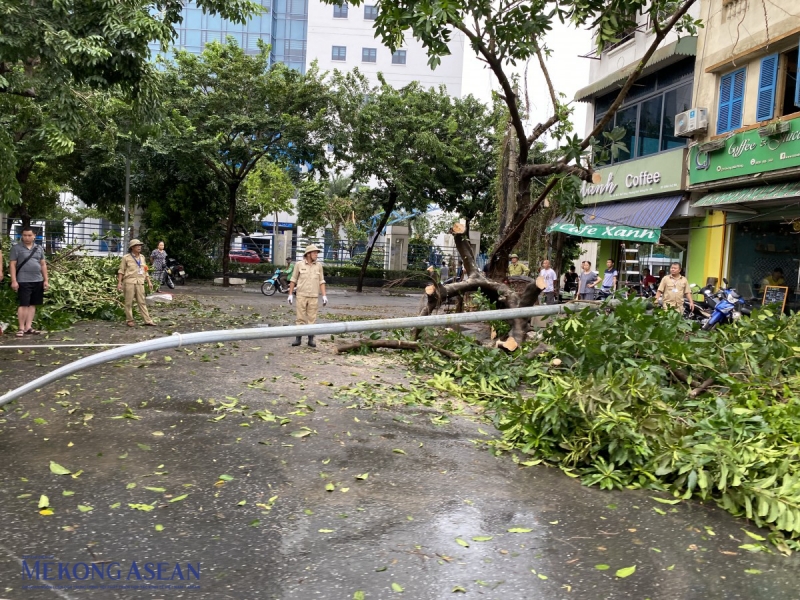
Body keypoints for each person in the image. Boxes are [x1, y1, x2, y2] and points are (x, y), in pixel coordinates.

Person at [9, 226, 49, 337]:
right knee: (23, 304)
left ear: (34, 236)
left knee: (32, 304)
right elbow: (12, 265)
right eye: (25, 235)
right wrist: (14, 280)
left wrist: (46, 280)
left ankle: (28, 327)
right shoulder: (16, 248)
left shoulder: (39, 248)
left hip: (37, 280)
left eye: (29, 235)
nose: (27, 238)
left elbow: (43, 264)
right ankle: (21, 328)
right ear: (22, 236)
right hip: (23, 280)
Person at [288, 244, 328, 348]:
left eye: (317, 253)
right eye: (314, 252)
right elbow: (293, 279)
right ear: (308, 254)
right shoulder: (299, 264)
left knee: (312, 318)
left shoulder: (319, 266)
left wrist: (324, 296)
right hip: (301, 295)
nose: (316, 254)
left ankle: (311, 339)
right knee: (300, 318)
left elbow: (322, 281)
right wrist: (290, 294)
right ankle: (298, 339)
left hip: (314, 296)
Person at [117, 239, 156, 327]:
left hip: (140, 282)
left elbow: (145, 270)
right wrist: (119, 283)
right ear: (132, 247)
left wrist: (149, 282)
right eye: (137, 245)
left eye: (140, 245)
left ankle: (147, 320)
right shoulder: (126, 258)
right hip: (129, 282)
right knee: (128, 302)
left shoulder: (142, 257)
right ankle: (129, 320)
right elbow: (121, 271)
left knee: (142, 302)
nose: (139, 247)